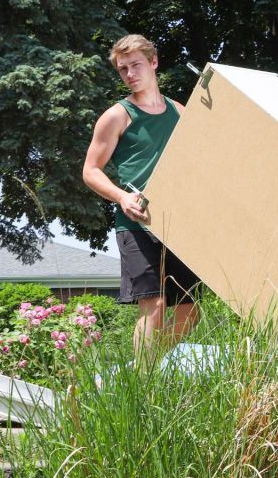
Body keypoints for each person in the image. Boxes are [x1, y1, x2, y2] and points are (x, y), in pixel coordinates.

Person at [83, 34, 202, 359]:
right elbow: (90, 170)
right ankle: (145, 382)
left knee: (190, 311)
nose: (130, 74)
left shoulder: (179, 112)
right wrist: (122, 197)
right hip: (136, 225)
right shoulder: (117, 116)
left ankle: (153, 369)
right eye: (123, 69)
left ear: (153, 62)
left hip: (177, 225)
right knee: (155, 305)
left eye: (136, 65)